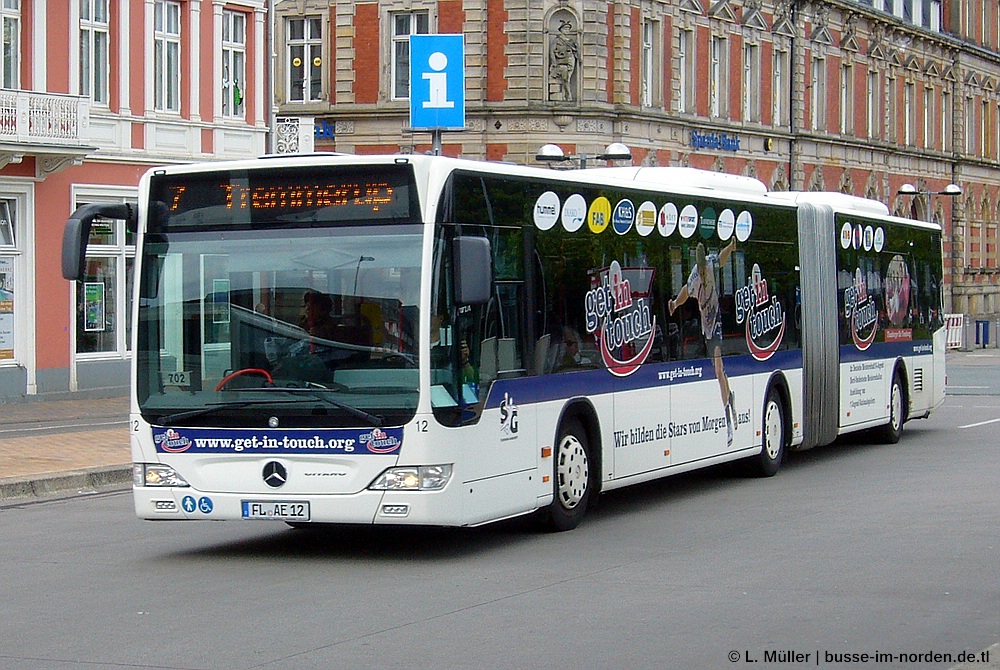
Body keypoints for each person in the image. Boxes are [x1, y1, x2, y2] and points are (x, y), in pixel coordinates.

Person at [668, 239, 737, 446]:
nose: (706, 277)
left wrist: (731, 247)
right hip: (706, 329)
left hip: (716, 323)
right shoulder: (695, 277)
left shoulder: (710, 263)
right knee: (720, 373)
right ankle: (730, 397)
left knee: (717, 370)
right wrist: (674, 304)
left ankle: (728, 423)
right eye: (704, 274)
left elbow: (723, 258)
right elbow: (684, 293)